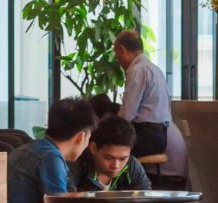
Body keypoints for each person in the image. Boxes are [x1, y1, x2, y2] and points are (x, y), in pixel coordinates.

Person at [7, 98, 97, 203]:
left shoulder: (33, 148)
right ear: (80, 138)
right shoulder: (50, 157)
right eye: (88, 138)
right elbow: (59, 201)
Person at [114, 30, 172, 158]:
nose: (118, 61)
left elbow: (127, 114)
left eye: (117, 56)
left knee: (101, 146)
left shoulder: (137, 70)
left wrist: (108, 128)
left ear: (122, 50)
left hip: (146, 136)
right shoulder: (154, 69)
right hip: (160, 135)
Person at [69, 115, 152, 192]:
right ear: (93, 148)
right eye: (108, 158)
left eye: (123, 159)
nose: (116, 166)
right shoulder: (76, 166)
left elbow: (145, 195)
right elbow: (67, 199)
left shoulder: (132, 166)